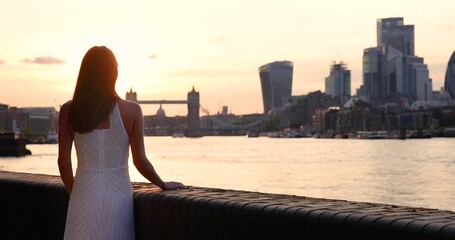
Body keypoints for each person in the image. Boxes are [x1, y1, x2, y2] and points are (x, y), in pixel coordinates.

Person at [58, 46, 186, 240]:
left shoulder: (68, 110)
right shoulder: (132, 110)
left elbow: (64, 164)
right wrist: (162, 183)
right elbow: (140, 161)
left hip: (83, 193)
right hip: (119, 196)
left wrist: (75, 192)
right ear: (114, 73)